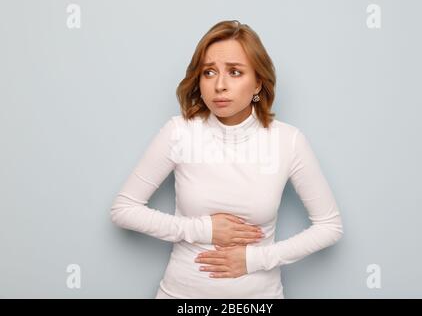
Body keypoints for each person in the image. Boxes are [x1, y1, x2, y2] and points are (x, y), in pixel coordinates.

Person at [110, 20, 344, 299]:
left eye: (235, 72)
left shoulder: (288, 140)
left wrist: (255, 260)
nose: (219, 85)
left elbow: (330, 227)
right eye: (209, 72)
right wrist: (203, 229)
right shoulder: (179, 132)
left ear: (258, 81)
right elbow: (123, 209)